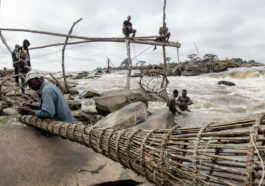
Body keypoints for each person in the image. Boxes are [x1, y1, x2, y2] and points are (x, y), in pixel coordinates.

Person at [18, 70, 74, 135]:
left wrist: (31, 111)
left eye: (30, 83)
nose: (30, 86)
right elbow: (48, 106)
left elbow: (48, 113)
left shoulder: (46, 90)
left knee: (31, 127)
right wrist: (31, 106)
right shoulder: (48, 86)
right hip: (67, 120)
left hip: (62, 124)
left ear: (37, 79)